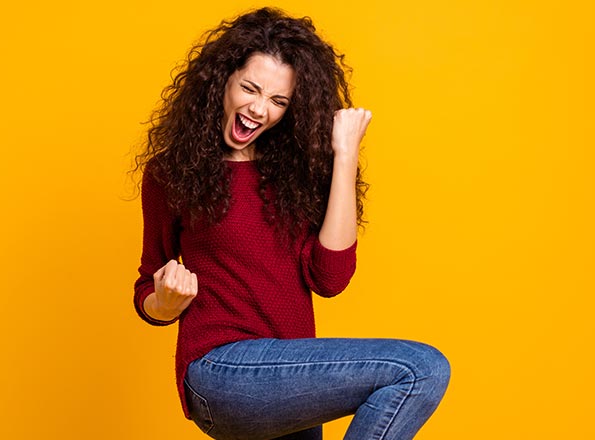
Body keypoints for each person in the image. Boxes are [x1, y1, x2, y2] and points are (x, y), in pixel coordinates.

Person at [132, 7, 450, 440]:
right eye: (250, 88)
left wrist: (344, 155)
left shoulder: (295, 176)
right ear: (222, 79)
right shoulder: (173, 172)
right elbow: (147, 288)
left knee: (417, 373)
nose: (259, 109)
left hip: (290, 376)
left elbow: (331, 277)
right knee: (420, 369)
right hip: (221, 372)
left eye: (278, 101)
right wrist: (165, 303)